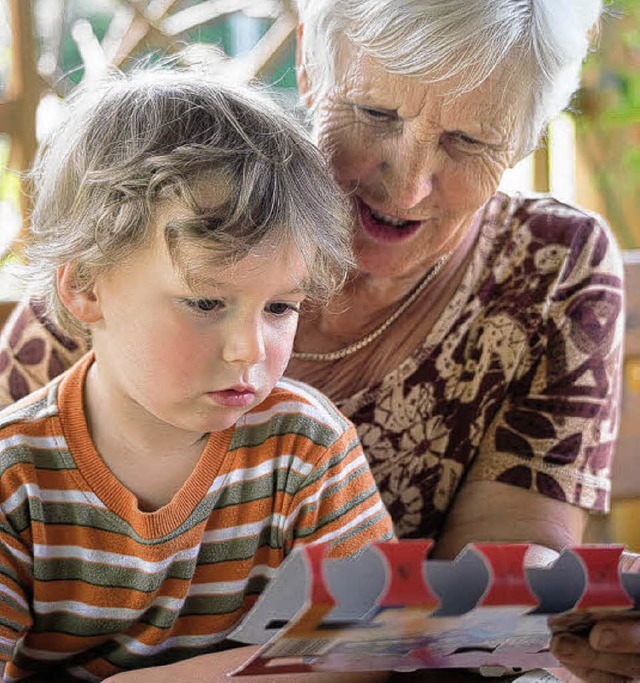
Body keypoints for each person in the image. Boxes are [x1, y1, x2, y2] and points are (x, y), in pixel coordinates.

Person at [0, 1, 633, 681]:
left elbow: (400, 629)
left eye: (469, 141)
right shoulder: (142, 238)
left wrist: (575, 601)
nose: (411, 182)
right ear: (308, 62)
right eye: (376, 114)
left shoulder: (310, 440)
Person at [0, 66, 395, 681]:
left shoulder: (307, 448)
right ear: (85, 287)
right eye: (207, 303)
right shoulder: (14, 479)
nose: (247, 350)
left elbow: (372, 646)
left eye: (279, 308)